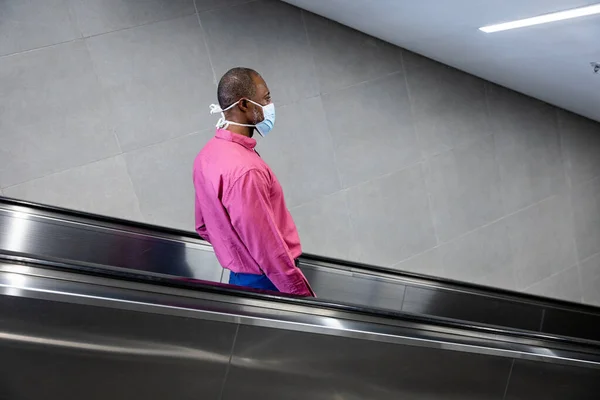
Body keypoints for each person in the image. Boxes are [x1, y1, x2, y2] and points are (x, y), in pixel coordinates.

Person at [193, 67, 315, 297]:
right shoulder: (246, 171)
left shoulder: (207, 155)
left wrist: (237, 251)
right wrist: (301, 296)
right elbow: (267, 248)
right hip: (269, 281)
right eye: (266, 98)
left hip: (241, 277)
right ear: (244, 104)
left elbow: (203, 226)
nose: (270, 105)